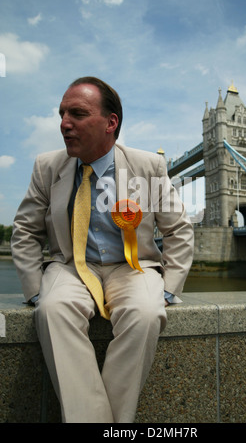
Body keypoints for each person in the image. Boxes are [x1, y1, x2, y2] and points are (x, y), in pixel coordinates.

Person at [11, 76, 194, 423]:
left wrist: (168, 291)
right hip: (70, 266)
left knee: (146, 313)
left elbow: (178, 229)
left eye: (77, 114)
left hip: (132, 266)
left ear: (111, 123)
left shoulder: (149, 166)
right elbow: (25, 230)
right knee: (51, 310)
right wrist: (35, 292)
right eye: (62, 113)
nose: (64, 124)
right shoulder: (46, 166)